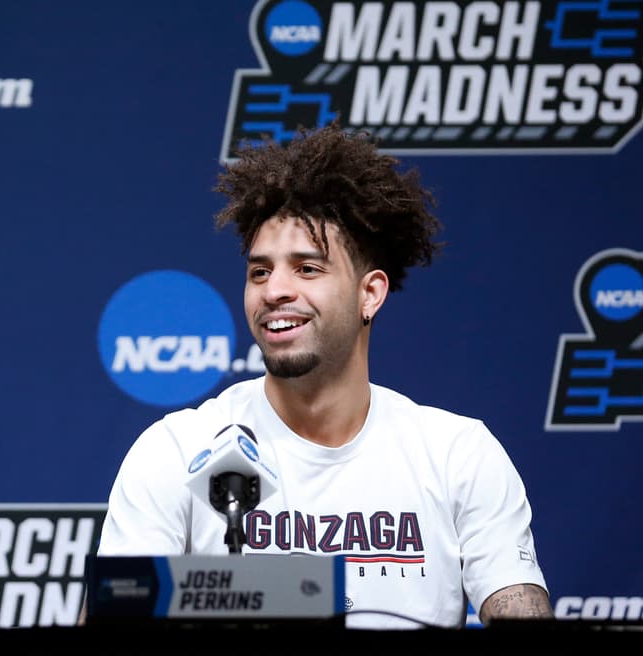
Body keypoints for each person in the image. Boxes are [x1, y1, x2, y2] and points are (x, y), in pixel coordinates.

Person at [96, 123, 553, 629]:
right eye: (260, 271)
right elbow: (117, 615)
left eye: (307, 269)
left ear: (369, 294)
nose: (274, 291)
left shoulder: (457, 455)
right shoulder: (178, 451)